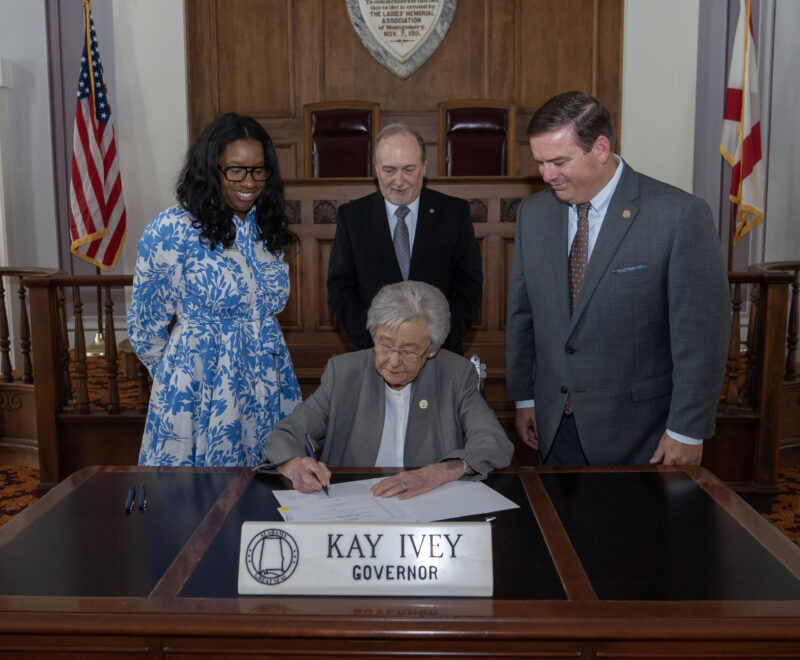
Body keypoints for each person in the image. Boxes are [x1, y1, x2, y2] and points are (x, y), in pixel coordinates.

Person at [505, 91, 730, 467]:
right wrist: (525, 398)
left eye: (558, 161)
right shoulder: (533, 213)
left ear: (601, 148)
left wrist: (687, 430)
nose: (546, 175)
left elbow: (702, 336)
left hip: (641, 433)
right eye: (540, 162)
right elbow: (522, 314)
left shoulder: (679, 216)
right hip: (553, 425)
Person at [128, 112, 302, 466]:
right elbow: (145, 324)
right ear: (211, 169)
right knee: (198, 502)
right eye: (235, 170)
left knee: (268, 488)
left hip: (267, 377)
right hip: (199, 384)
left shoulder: (267, 230)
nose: (249, 182)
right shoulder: (172, 229)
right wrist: (176, 380)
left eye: (258, 170)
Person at [262, 280, 513, 499]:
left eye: (408, 350)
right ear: (373, 335)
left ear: (432, 348)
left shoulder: (455, 375)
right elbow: (285, 434)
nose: (393, 361)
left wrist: (440, 471)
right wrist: (296, 467)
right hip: (355, 504)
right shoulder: (345, 373)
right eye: (385, 345)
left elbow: (493, 443)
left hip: (429, 504)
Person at [327, 123, 483, 355]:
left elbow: (469, 287)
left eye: (409, 169)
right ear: (376, 169)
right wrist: (379, 341)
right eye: (389, 170)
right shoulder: (352, 217)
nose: (399, 182)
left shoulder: (454, 213)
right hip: (373, 354)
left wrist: (438, 339)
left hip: (438, 354)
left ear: (424, 167)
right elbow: (341, 289)